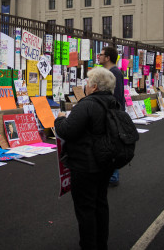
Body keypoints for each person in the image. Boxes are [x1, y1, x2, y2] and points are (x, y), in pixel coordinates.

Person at [54, 67, 117, 250]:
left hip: (85, 165)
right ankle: (101, 244)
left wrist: (59, 119)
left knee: (85, 209)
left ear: (95, 86)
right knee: (100, 204)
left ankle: (89, 245)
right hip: (105, 161)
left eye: (88, 82)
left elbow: (66, 130)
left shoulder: (87, 104)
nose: (85, 86)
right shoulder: (112, 102)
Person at [98, 46, 125, 187]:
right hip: (111, 115)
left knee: (111, 146)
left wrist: (114, 116)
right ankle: (110, 174)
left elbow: (117, 98)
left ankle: (113, 176)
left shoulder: (114, 73)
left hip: (113, 116)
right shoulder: (111, 72)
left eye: (101, 55)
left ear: (108, 58)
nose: (99, 57)